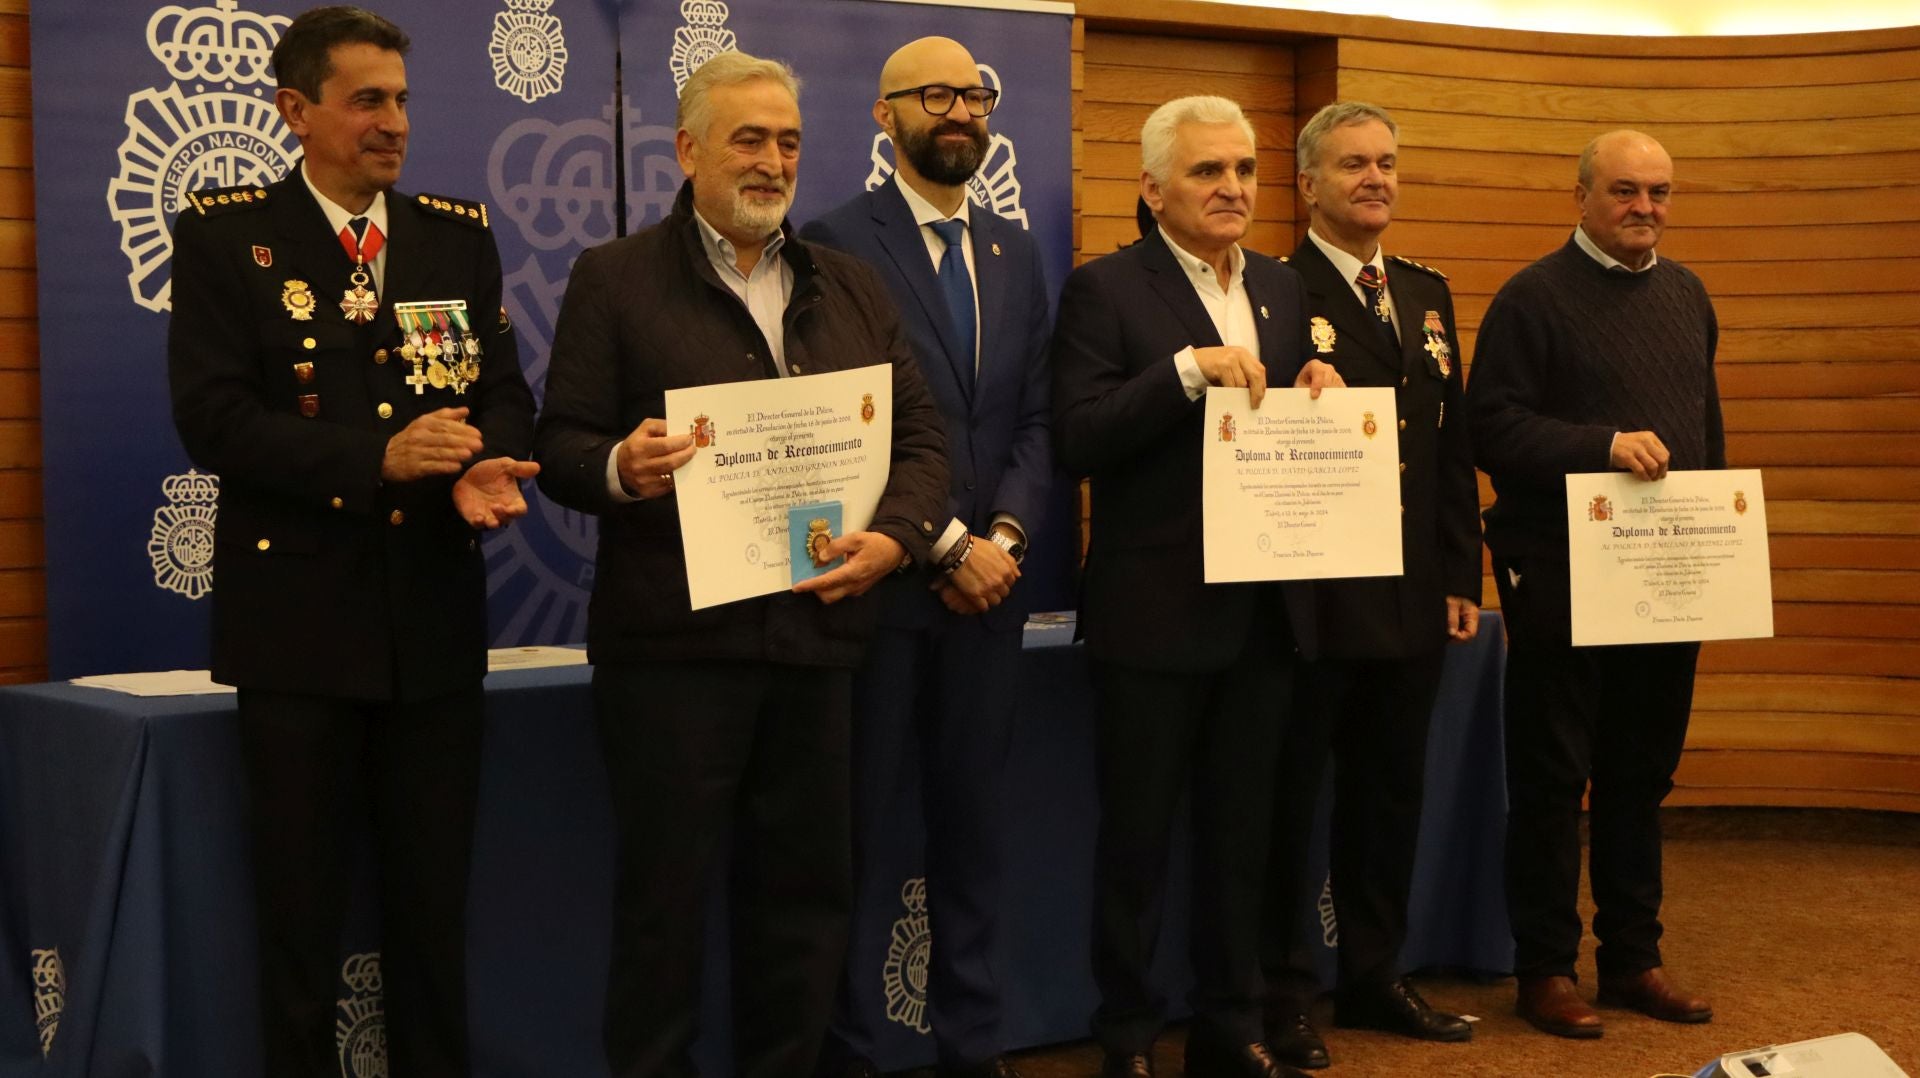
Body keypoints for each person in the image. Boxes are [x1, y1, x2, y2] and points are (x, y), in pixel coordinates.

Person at [529, 50, 949, 1078]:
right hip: (676, 656)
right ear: (687, 150)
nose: (773, 161)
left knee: (804, 910)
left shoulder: (849, 285)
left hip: (819, 644)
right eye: (749, 139)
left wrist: (894, 538)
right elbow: (562, 448)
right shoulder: (615, 279)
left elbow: (925, 442)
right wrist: (622, 465)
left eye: (790, 142)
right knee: (664, 910)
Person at [166, 6, 538, 1075]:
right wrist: (375, 460)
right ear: (297, 110)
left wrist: (480, 459)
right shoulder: (228, 236)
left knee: (432, 919)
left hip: (430, 630)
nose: (393, 123)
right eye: (367, 99)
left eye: (403, 101)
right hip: (298, 640)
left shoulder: (453, 237)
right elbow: (216, 421)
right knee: (300, 925)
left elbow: (505, 399)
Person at [1051, 95, 1340, 1078]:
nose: (1231, 189)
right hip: (1153, 618)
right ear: (1152, 187)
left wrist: (1315, 392)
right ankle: (1127, 1039)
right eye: (1208, 172)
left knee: (1242, 841)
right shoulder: (1107, 290)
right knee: (1137, 847)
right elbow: (1077, 435)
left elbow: (1285, 412)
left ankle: (1229, 1026)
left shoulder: (1280, 287)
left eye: (1244, 171)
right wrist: (1184, 372)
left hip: (1263, 616)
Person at [799, 36, 1052, 1078]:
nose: (962, 110)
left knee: (976, 840)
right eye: (937, 94)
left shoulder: (1015, 249)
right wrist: (945, 543)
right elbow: (846, 424)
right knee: (856, 844)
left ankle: (972, 1045)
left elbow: (1035, 418)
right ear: (885, 115)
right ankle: (851, 1051)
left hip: (987, 603)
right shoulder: (833, 241)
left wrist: (1001, 539)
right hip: (882, 597)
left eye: (977, 94)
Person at [1467, 129, 1721, 1039]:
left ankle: (1633, 962)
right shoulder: (1532, 298)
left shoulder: (1688, 296)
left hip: (1666, 575)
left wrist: (1715, 554)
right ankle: (1543, 969)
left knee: (1638, 779)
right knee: (1551, 780)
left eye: (1658, 192)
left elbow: (1705, 434)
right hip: (1562, 579)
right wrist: (1599, 446)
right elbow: (1490, 429)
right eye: (1623, 191)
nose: (1643, 209)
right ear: (1580, 197)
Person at [1258, 101, 1480, 1070]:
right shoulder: (1272, 290)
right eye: (1353, 164)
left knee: (1391, 794)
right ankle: (1285, 995)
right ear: (1308, 183)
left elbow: (1448, 449)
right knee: (1294, 801)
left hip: (1412, 595)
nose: (1375, 178)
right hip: (1312, 597)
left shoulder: (1428, 293)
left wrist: (1459, 572)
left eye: (1387, 161)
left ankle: (1376, 974)